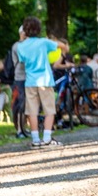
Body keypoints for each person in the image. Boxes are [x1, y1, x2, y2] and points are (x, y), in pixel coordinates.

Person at [15, 16, 63, 148]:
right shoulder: (44, 42)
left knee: (32, 111)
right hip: (45, 80)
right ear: (39, 29)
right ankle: (47, 138)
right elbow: (61, 46)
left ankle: (35, 139)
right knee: (49, 110)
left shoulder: (21, 46)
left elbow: (23, 61)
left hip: (30, 82)